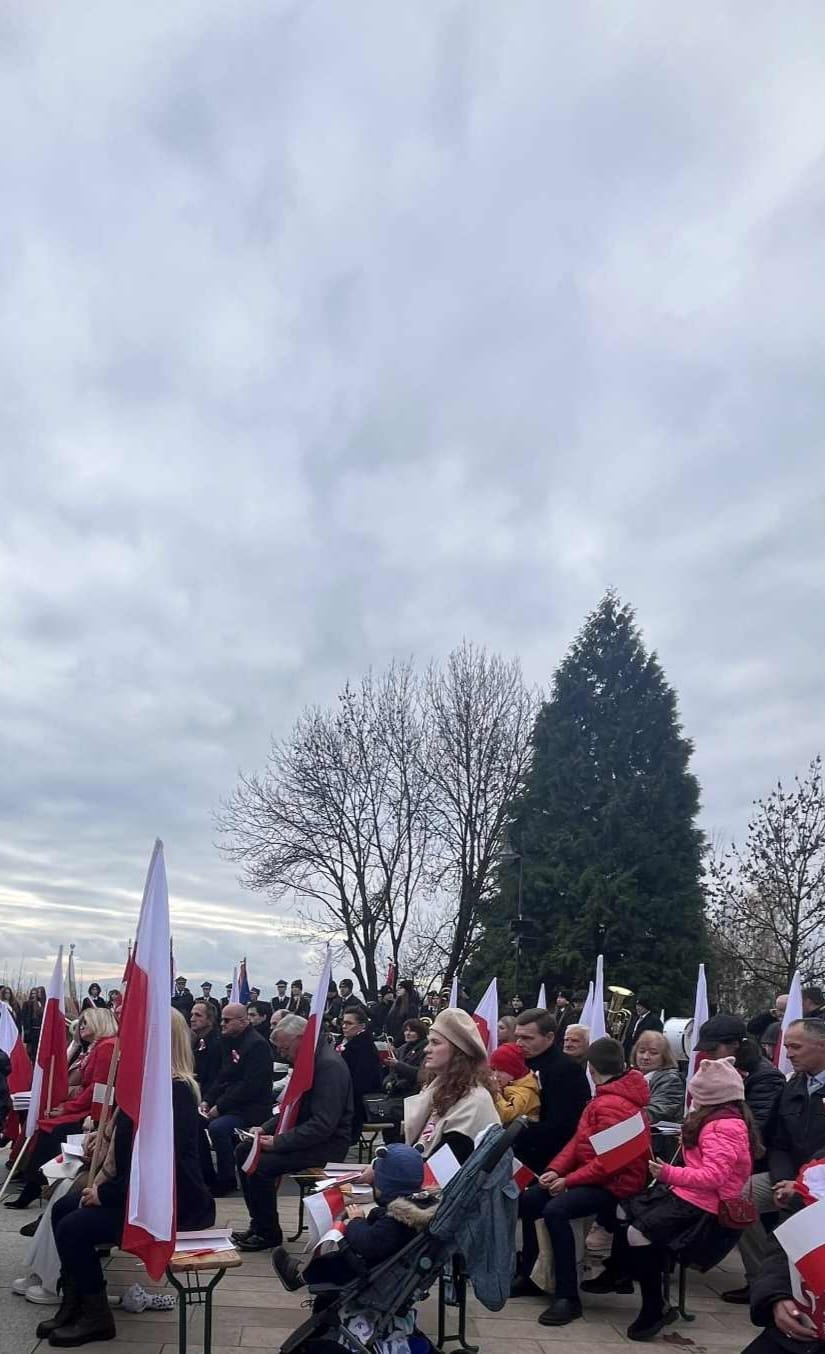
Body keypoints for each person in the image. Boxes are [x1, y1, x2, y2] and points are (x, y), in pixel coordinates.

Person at [37, 1009, 215, 1348]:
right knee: (64, 1209)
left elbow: (162, 1164)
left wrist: (107, 1194)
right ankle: (74, 1303)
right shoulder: (148, 1085)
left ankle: (97, 1317)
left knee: (74, 1228)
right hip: (141, 1193)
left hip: (171, 1204)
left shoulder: (175, 1091)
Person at [586, 1055, 759, 1342]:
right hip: (689, 1195)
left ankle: (654, 1305)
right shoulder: (719, 1120)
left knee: (638, 1233)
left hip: (704, 1206)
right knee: (623, 1209)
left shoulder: (724, 1126)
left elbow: (713, 1177)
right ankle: (625, 1272)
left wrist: (668, 1173)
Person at [516, 1037, 651, 1326]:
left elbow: (610, 1163)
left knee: (556, 1210)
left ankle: (567, 1295)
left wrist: (567, 1180)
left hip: (616, 1184)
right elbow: (579, 1142)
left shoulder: (616, 1104)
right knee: (531, 1199)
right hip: (596, 1177)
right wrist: (555, 1170)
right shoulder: (605, 1098)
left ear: (591, 1068)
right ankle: (531, 1275)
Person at [722, 1018, 825, 1305]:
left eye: (795, 1047)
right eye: (787, 1046)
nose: (788, 1054)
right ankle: (762, 1283)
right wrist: (782, 1179)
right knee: (738, 1196)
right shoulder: (793, 1086)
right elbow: (777, 1141)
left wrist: (801, 1184)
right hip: (787, 1174)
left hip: (819, 1182)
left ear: (822, 1045)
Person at [231, 1013, 353, 1252]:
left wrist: (277, 1142)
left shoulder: (328, 1066)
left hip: (327, 1145)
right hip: (309, 1137)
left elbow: (322, 1125)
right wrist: (264, 1128)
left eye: (284, 1048)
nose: (281, 1054)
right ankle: (259, 1224)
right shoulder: (309, 1060)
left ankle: (268, 1232)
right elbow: (291, 1107)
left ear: (300, 1039)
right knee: (245, 1150)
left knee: (261, 1165)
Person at [272, 1143, 429, 1293]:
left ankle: (299, 1277)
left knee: (331, 1262)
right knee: (335, 1257)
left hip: (368, 1271)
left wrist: (356, 1221)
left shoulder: (396, 1219)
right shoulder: (421, 1207)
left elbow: (368, 1243)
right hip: (394, 1265)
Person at [7, 1007, 119, 1210]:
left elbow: (98, 1088)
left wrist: (71, 1109)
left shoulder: (106, 1047)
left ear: (99, 1023)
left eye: (86, 1022)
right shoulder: (99, 1046)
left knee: (53, 1131)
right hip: (85, 1106)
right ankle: (35, 1183)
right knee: (48, 1127)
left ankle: (37, 1185)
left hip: (92, 1112)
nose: (81, 1026)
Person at [403, 1008, 500, 1162]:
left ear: (458, 1051)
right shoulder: (438, 1089)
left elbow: (443, 1165)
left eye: (435, 1043)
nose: (426, 1049)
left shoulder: (474, 1101)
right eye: (428, 1042)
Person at [200, 1003, 274, 1195]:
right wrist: (207, 1100)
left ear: (242, 1021)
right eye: (221, 1020)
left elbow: (250, 1086)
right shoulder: (229, 1041)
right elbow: (223, 1076)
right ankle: (207, 1176)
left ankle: (227, 1181)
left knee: (218, 1128)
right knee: (195, 1122)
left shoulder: (256, 1045)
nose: (222, 1024)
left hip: (251, 1108)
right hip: (233, 1104)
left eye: (227, 1020)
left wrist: (220, 1107)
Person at [513, 1008, 590, 1175]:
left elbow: (563, 1126)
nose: (519, 1043)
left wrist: (513, 1132)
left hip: (542, 1161)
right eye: (517, 1037)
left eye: (527, 1038)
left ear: (549, 1037)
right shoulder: (517, 1062)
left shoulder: (566, 1070)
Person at [696, 1014, 785, 1146]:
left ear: (735, 1044)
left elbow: (757, 1126)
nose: (708, 1054)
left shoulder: (766, 1077)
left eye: (713, 1049)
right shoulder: (718, 1070)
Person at [339, 1007, 383, 1143]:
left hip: (357, 1104)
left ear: (362, 1026)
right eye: (343, 1023)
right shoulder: (348, 1043)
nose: (344, 1026)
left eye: (349, 1023)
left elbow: (362, 1082)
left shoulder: (364, 1048)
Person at [630, 1031, 684, 1130]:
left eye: (653, 1053)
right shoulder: (631, 1076)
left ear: (664, 1056)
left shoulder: (671, 1080)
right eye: (641, 1051)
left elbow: (658, 1112)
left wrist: (622, 1117)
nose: (645, 1057)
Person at [490, 1043, 540, 1124]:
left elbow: (506, 1115)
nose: (496, 1075)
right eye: (493, 1069)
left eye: (501, 1070)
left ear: (514, 1071)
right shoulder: (510, 1084)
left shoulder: (525, 1093)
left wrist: (496, 1093)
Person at [190, 1000, 222, 1095]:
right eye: (192, 1015)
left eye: (198, 1015)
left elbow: (213, 1079)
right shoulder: (198, 1040)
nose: (192, 1019)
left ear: (210, 1020)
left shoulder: (217, 1044)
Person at [623, 997, 663, 1061]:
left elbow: (657, 1037)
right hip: (629, 1050)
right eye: (637, 1005)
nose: (637, 1008)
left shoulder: (654, 1020)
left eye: (640, 1006)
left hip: (642, 1051)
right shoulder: (634, 1018)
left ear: (646, 1007)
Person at [384, 981, 420, 1046]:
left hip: (402, 1042)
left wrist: (396, 1042)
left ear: (407, 990)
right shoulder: (396, 1005)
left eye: (401, 988)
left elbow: (408, 1026)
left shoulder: (411, 1007)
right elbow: (388, 1022)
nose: (398, 990)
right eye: (398, 988)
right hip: (391, 1039)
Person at [21, 988, 44, 1060]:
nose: (34, 995)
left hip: (40, 1029)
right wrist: (27, 1031)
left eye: (35, 993)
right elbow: (24, 1017)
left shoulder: (41, 1004)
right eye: (32, 993)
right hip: (32, 1030)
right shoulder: (27, 1004)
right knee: (31, 1050)